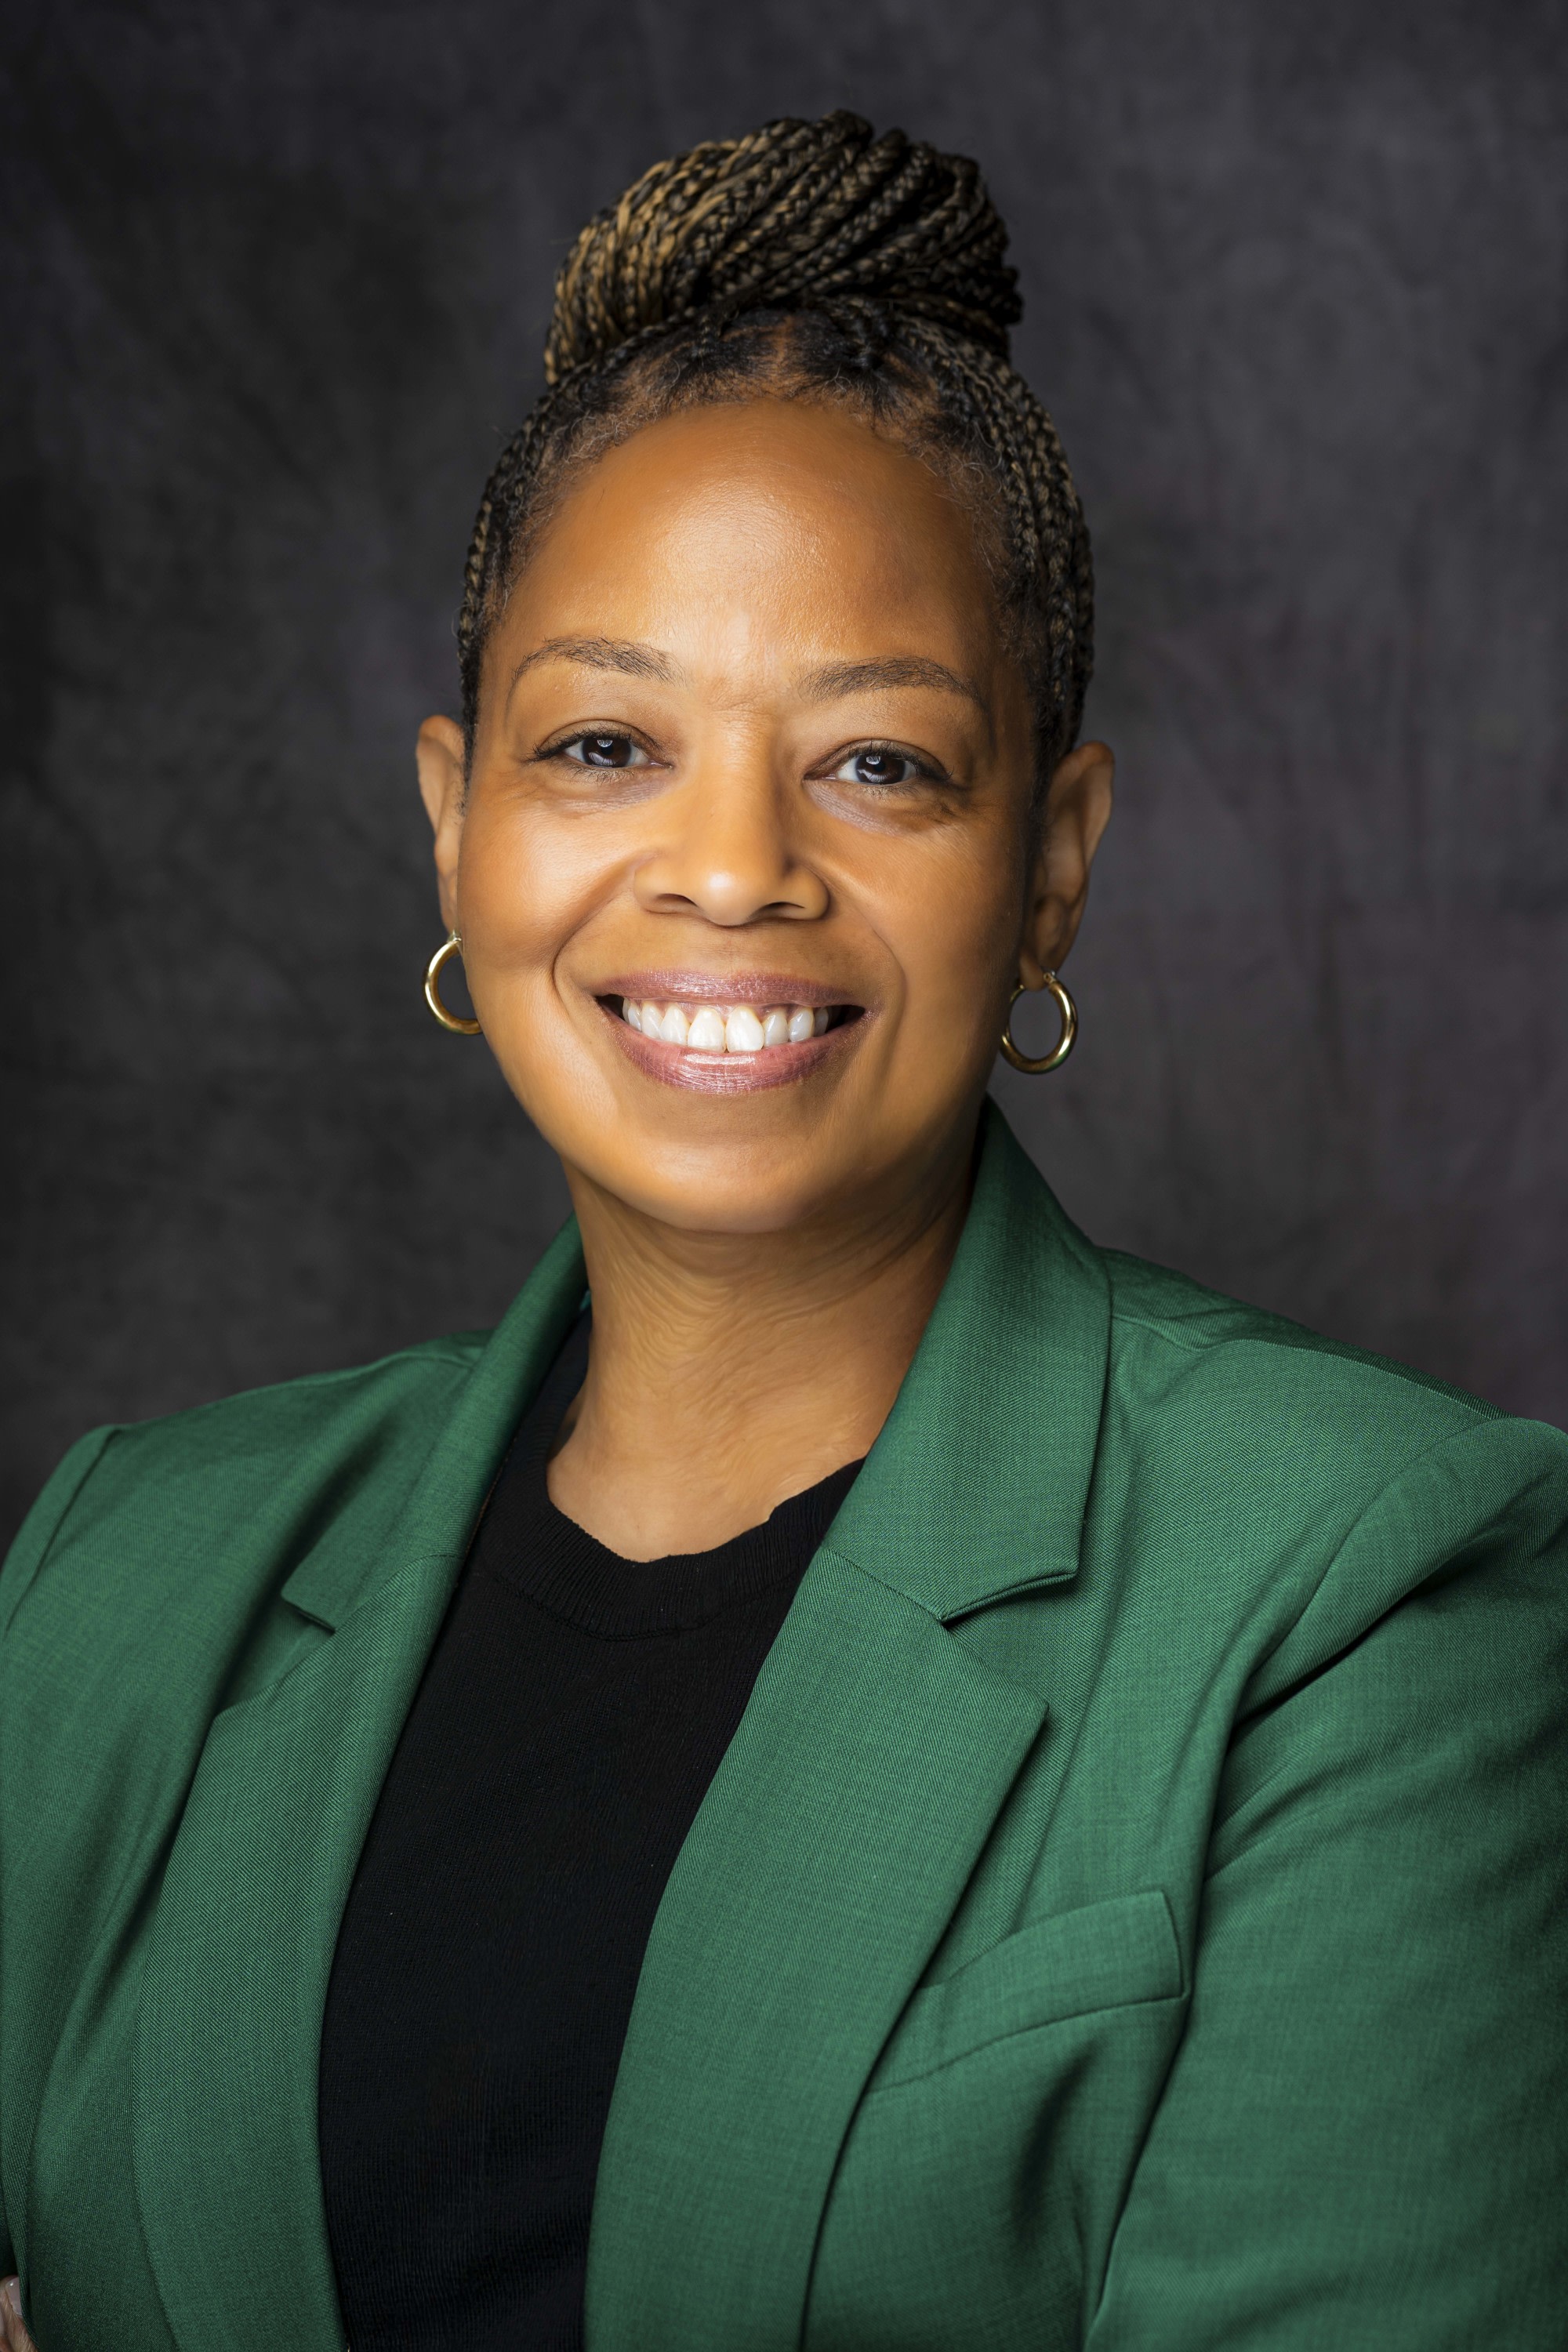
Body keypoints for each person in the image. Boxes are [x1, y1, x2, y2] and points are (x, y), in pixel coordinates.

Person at [2, 110, 1563, 2352]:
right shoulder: (123, 1581)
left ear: (1055, 858)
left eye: (878, 764)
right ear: (461, 827)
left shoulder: (1361, 1600)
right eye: (607, 748)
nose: (730, 867)